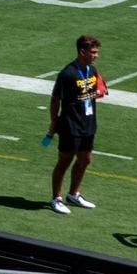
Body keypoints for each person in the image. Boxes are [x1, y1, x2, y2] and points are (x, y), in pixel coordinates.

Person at [47, 35, 107, 215]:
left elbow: (101, 90)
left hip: (88, 122)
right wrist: (53, 122)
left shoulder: (92, 70)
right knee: (64, 161)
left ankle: (73, 194)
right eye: (93, 52)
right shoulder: (67, 73)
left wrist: (98, 91)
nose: (96, 56)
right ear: (82, 51)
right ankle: (56, 198)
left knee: (85, 159)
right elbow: (55, 99)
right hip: (70, 124)